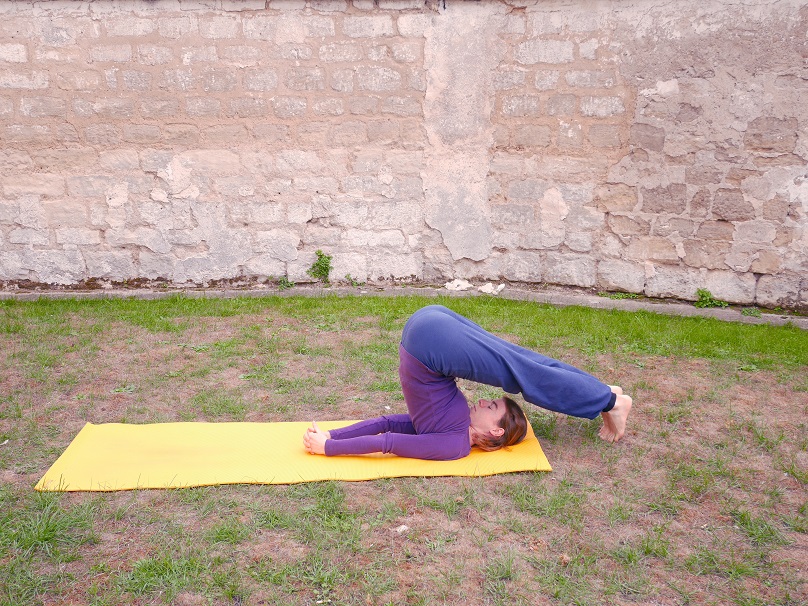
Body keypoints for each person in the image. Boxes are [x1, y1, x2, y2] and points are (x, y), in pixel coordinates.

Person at [303, 305, 632, 460]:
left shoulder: (453, 444)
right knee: (523, 363)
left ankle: (608, 399)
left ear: (496, 431)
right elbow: (388, 428)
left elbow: (387, 436)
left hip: (429, 337)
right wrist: (330, 438)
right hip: (429, 336)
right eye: (493, 401)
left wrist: (330, 444)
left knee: (523, 367)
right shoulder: (452, 429)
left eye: (491, 407)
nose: (485, 401)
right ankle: (604, 395)